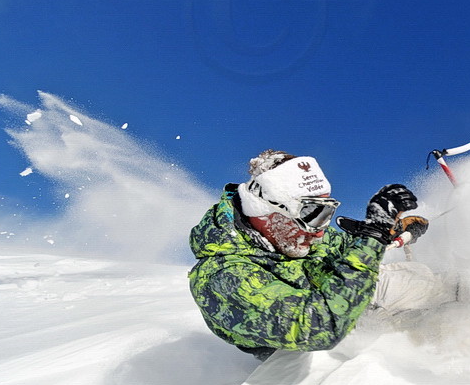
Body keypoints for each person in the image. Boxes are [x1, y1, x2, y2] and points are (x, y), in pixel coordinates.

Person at [188, 149, 442, 361]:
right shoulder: (222, 276)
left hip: (354, 317)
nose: (320, 232)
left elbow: (348, 250)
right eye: (312, 214)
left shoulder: (297, 237)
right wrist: (372, 237)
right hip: (310, 358)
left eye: (325, 214)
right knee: (421, 309)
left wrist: (390, 231)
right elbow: (318, 327)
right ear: (265, 210)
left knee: (421, 278)